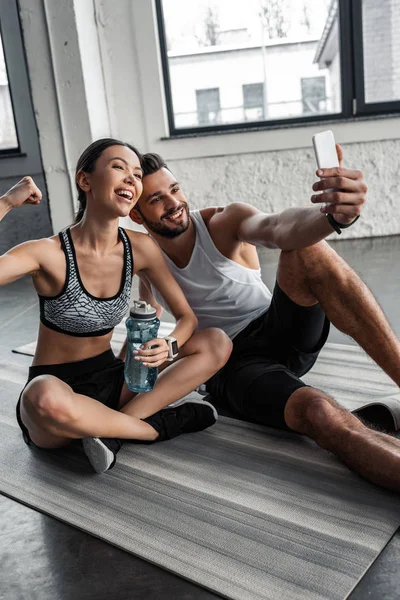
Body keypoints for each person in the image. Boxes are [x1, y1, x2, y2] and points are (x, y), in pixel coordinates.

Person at [124, 147, 400, 494]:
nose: (173, 203)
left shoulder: (222, 222)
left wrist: (333, 217)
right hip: (231, 367)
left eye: (175, 190)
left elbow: (278, 227)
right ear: (136, 214)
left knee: (306, 249)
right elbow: (146, 317)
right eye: (156, 199)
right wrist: (124, 376)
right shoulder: (148, 260)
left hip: (277, 329)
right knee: (320, 414)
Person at [0, 138, 232, 473]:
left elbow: (187, 318)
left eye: (136, 174)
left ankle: (111, 430)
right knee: (41, 397)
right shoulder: (46, 254)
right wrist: (7, 200)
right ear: (85, 181)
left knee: (216, 342)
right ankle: (156, 428)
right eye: (118, 167)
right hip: (57, 393)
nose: (131, 179)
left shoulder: (140, 248)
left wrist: (168, 345)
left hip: (115, 381)